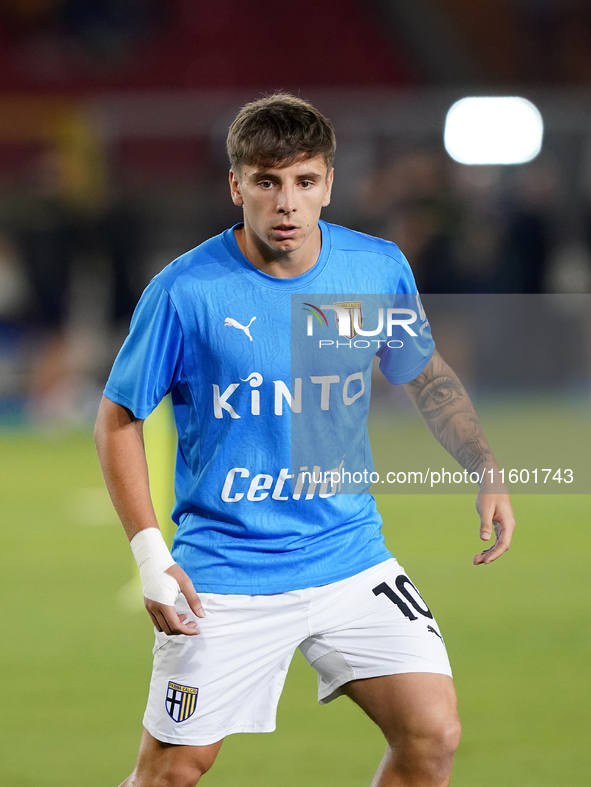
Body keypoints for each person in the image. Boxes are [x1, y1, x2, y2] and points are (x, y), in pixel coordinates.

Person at [94, 93, 515, 787]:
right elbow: (118, 416)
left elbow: (423, 375)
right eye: (266, 181)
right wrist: (148, 554)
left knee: (432, 732)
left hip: (350, 557)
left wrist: (485, 465)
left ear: (328, 184)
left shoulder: (375, 269)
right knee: (172, 770)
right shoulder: (186, 291)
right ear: (236, 186)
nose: (285, 202)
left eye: (303, 181)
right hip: (227, 573)